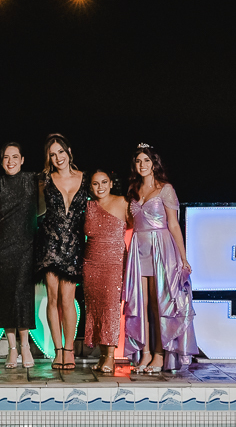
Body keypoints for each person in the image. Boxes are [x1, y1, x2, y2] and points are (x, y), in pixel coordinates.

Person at [124, 143, 198, 373]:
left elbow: (174, 224)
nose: (142, 165)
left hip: (161, 248)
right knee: (140, 304)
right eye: (138, 161)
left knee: (159, 303)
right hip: (138, 248)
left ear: (154, 163)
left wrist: (183, 258)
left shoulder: (166, 189)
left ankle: (159, 354)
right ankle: (144, 354)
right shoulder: (133, 190)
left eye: (146, 160)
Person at [35, 133, 87, 370]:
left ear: (69, 152)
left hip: (73, 245)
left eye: (61, 152)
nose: (58, 158)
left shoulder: (85, 178)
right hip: (50, 243)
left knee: (68, 299)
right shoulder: (45, 180)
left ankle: (69, 349)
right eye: (52, 154)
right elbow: (36, 210)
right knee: (53, 298)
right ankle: (57, 351)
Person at [0, 142, 38, 368]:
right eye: (6, 157)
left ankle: (25, 347)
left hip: (26, 247)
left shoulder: (32, 179)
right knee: (5, 297)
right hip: (0, 248)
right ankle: (12, 349)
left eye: (15, 157)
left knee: (22, 297)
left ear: (22, 159)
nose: (11, 161)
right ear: (1, 161)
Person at [83, 170, 128, 374]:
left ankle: (110, 356)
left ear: (111, 183)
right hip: (91, 263)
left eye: (103, 182)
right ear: (90, 186)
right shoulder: (88, 205)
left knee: (110, 307)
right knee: (95, 308)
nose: (100, 187)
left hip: (114, 262)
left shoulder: (123, 202)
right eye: (95, 183)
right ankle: (102, 355)